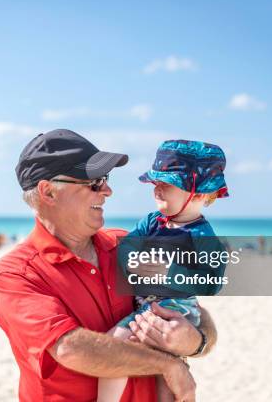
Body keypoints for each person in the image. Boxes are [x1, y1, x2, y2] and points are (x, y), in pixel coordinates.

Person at [0, 130, 217, 401]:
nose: (108, 190)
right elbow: (71, 349)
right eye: (94, 183)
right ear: (48, 191)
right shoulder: (17, 274)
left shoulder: (126, 244)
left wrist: (195, 341)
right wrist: (168, 364)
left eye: (105, 179)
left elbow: (193, 308)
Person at [98, 139, 229, 402]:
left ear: (200, 194)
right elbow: (127, 247)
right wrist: (130, 259)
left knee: (114, 344)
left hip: (176, 309)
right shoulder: (151, 221)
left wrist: (168, 272)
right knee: (165, 374)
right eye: (155, 184)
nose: (157, 190)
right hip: (146, 302)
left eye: (166, 185)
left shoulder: (203, 236)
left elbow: (212, 283)